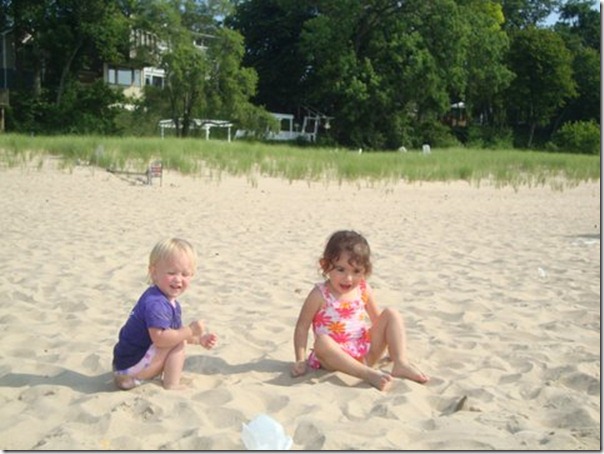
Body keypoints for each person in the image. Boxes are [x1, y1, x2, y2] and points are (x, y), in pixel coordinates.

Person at [291, 230, 428, 391]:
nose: (348, 278)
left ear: (365, 270)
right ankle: (367, 374)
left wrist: (391, 347)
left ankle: (401, 363)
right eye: (340, 269)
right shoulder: (319, 295)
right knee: (322, 342)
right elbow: (302, 327)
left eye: (356, 271)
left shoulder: (363, 289)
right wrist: (300, 359)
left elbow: (379, 322)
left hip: (366, 353)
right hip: (335, 360)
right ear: (325, 265)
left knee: (391, 314)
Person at [112, 238, 218, 390]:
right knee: (178, 343)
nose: (178, 279)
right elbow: (161, 339)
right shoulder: (156, 303)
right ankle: (171, 384)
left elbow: (176, 333)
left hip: (124, 365)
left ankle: (132, 378)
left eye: (185, 274)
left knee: (177, 338)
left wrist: (198, 339)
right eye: (171, 273)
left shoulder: (167, 300)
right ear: (154, 273)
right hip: (131, 367)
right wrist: (190, 330)